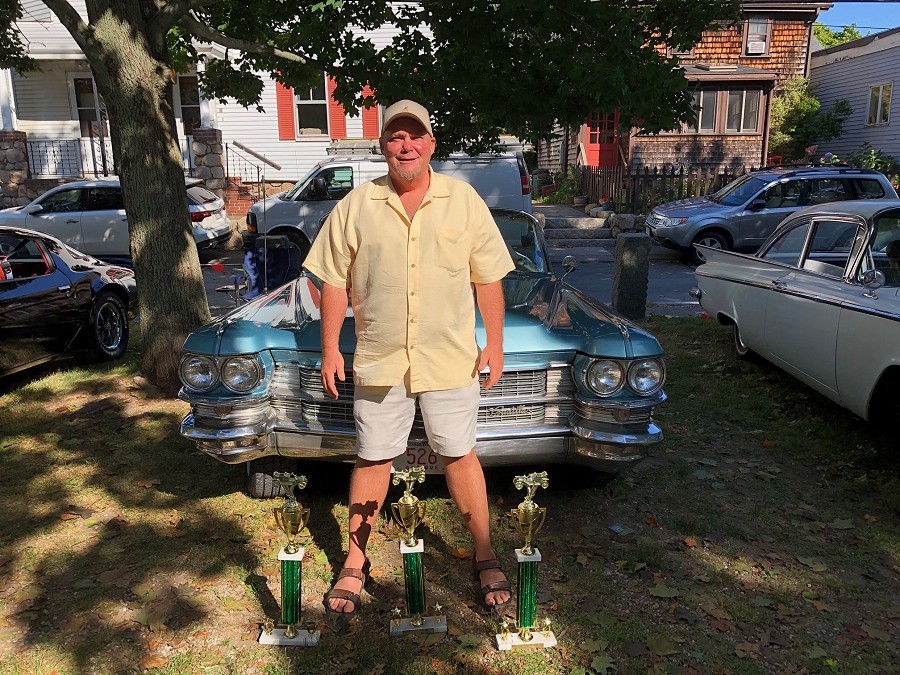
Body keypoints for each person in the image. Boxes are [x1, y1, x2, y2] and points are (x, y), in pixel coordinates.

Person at [303, 99, 515, 615]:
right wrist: (331, 347)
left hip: (449, 358)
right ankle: (354, 563)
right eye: (396, 137)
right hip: (380, 358)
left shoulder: (464, 201)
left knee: (459, 453)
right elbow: (332, 278)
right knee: (374, 457)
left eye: (415, 136)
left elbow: (487, 276)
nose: (406, 145)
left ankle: (485, 555)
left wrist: (495, 342)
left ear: (431, 144)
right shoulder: (356, 204)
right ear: (383, 147)